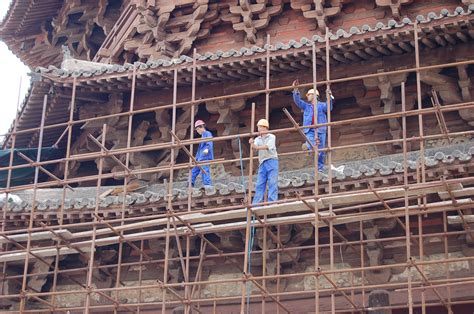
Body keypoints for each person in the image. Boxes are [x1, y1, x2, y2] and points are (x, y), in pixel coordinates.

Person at [292, 79, 334, 170]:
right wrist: (295, 90)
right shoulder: (306, 106)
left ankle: (320, 168)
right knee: (312, 143)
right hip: (310, 130)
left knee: (321, 150)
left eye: (309, 95)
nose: (307, 96)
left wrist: (329, 97)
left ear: (315, 95)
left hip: (321, 129)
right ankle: (307, 145)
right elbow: (297, 101)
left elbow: (329, 108)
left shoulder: (321, 105)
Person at [249, 119, 279, 205]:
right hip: (262, 162)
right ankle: (256, 203)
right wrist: (252, 144)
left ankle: (272, 202)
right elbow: (254, 149)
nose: (258, 129)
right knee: (259, 184)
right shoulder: (258, 139)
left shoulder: (272, 137)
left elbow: (267, 146)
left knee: (272, 182)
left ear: (265, 128)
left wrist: (255, 146)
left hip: (272, 160)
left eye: (259, 127)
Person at [191, 120, 213, 187]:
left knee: (205, 170)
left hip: (205, 157)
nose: (197, 131)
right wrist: (196, 158)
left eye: (198, 129)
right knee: (194, 170)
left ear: (202, 127)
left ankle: (207, 185)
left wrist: (205, 151)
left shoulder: (207, 133)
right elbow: (199, 150)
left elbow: (209, 144)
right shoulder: (202, 137)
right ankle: (190, 183)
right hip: (200, 158)